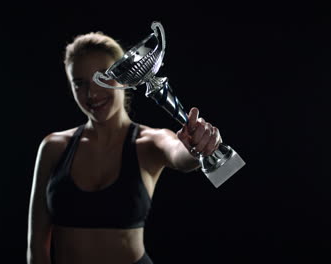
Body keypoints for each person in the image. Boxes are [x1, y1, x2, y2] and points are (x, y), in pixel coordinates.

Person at [26, 31, 222, 264]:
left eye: (102, 78)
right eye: (80, 84)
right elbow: (37, 245)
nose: (92, 94)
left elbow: (180, 155)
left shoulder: (150, 141)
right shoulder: (53, 148)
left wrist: (198, 146)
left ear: (124, 76)